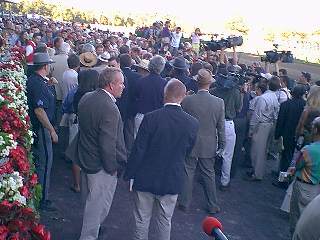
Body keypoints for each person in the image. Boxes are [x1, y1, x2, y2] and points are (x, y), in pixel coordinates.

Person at [124, 79, 199, 240]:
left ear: (165, 95)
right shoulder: (192, 123)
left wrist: (129, 174)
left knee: (141, 220)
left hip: (145, 177)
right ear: (183, 97)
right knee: (165, 221)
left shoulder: (151, 118)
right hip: (172, 178)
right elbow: (187, 151)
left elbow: (139, 149)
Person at [74, 67, 127, 240]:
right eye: (121, 83)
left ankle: (92, 232)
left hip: (85, 159)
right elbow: (108, 143)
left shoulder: (86, 97)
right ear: (111, 85)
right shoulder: (110, 107)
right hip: (100, 166)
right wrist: (112, 168)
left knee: (91, 205)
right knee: (96, 207)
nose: (123, 87)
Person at [178, 69, 225, 214]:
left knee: (188, 171)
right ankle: (213, 204)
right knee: (208, 174)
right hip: (208, 143)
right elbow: (220, 126)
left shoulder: (187, 100)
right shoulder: (219, 102)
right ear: (210, 84)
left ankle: (184, 202)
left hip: (190, 141)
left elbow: (182, 122)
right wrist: (222, 144)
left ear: (197, 82)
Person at [26, 53, 58, 211]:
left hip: (40, 128)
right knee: (45, 163)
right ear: (45, 66)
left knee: (43, 162)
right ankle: (42, 199)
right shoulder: (38, 84)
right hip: (42, 128)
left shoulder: (37, 80)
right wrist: (51, 130)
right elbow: (39, 111)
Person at [210, 61, 242, 190]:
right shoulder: (236, 91)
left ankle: (207, 177)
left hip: (214, 123)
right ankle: (224, 182)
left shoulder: (215, 89)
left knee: (210, 154)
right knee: (227, 156)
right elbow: (239, 109)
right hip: (228, 124)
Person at [288, 116, 320, 235]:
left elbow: (298, 165)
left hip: (302, 185)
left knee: (295, 218)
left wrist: (292, 170)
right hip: (316, 188)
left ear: (315, 130)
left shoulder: (308, 150)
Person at [245, 77, 280, 181]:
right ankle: (257, 171)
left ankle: (257, 174)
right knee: (263, 151)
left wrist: (251, 130)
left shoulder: (263, 98)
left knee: (257, 151)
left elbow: (257, 116)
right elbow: (275, 114)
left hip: (261, 125)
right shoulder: (275, 97)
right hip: (269, 124)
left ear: (268, 85)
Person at [274, 85, 306, 187]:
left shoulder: (285, 104)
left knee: (285, 158)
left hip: (285, 135)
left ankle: (282, 181)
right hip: (297, 136)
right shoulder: (304, 105)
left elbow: (280, 122)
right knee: (289, 157)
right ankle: (282, 174)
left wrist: (277, 135)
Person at [134, 55, 167, 137]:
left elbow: (136, 97)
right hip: (157, 116)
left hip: (142, 115)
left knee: (138, 140)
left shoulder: (141, 81)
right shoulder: (165, 84)